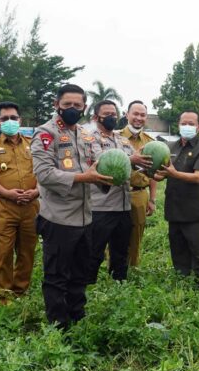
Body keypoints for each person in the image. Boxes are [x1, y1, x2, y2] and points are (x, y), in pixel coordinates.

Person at [31, 83, 112, 329]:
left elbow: (97, 165)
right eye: (67, 104)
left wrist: (111, 175)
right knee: (57, 276)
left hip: (85, 217)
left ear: (85, 107)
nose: (73, 109)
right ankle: (58, 325)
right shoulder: (46, 133)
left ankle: (77, 316)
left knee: (80, 273)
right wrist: (83, 178)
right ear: (56, 105)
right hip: (59, 218)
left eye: (78, 105)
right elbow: (44, 174)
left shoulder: (86, 135)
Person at [0, 102, 39, 304]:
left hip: (31, 207)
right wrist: (7, 193)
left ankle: (21, 292)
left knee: (27, 252)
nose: (9, 121)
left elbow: (44, 171)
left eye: (13, 118)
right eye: (4, 118)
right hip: (3, 207)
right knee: (2, 253)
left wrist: (37, 191)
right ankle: (4, 297)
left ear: (20, 120)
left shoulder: (33, 144)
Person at [155, 111, 199, 291]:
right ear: (178, 125)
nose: (187, 126)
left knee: (198, 254)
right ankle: (182, 287)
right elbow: (161, 174)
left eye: (191, 123)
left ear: (198, 127)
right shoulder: (170, 147)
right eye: (184, 123)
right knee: (178, 253)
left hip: (194, 213)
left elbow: (198, 177)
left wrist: (174, 173)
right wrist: (150, 171)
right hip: (174, 210)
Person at [87, 100, 134, 284]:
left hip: (123, 206)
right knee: (94, 250)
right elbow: (103, 162)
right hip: (102, 206)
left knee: (121, 250)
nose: (111, 117)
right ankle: (88, 284)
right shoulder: (90, 139)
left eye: (114, 114)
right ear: (96, 117)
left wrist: (147, 165)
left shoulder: (123, 140)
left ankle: (119, 283)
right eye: (107, 114)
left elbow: (135, 164)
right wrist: (133, 159)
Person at [119, 101, 157, 267]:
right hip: (117, 193)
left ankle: (132, 267)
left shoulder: (151, 142)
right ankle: (113, 269)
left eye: (142, 115)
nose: (139, 118)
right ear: (127, 114)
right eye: (135, 114)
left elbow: (154, 173)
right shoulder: (115, 137)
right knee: (114, 232)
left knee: (136, 234)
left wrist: (152, 199)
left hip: (140, 193)